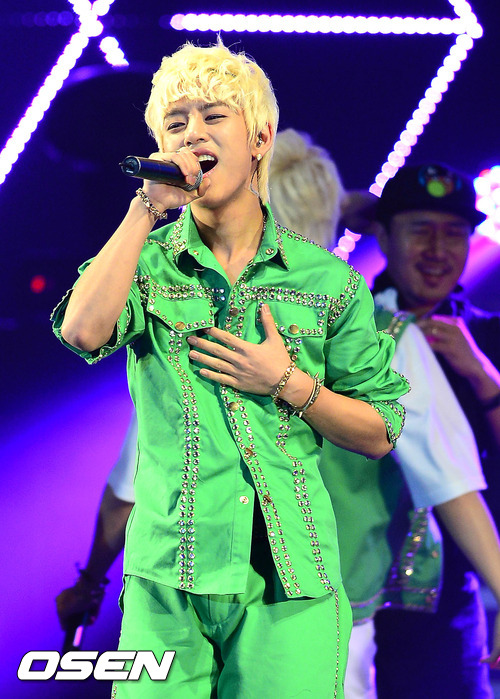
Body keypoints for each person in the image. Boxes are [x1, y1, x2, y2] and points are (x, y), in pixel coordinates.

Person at [51, 42, 408, 698]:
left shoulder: (328, 283)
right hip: (167, 582)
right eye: (176, 122)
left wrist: (288, 384)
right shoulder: (144, 264)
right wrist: (144, 210)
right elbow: (82, 331)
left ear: (260, 139)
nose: (192, 134)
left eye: (213, 116)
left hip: (290, 585)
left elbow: (381, 430)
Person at [366, 162, 500, 698]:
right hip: (343, 584)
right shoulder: (346, 326)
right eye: (420, 230)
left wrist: (483, 375)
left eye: (455, 233)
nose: (438, 249)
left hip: (448, 601)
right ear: (383, 236)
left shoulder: (488, 335)